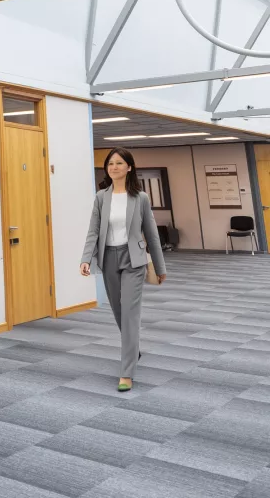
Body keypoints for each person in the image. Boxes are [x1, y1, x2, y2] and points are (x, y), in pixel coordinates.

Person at [80, 147, 166, 392]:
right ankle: (133, 348)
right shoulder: (101, 197)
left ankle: (126, 372)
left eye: (119, 163)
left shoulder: (140, 198)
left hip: (133, 260)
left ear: (129, 167)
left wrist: (160, 266)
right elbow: (93, 231)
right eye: (110, 163)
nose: (114, 167)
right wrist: (86, 258)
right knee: (119, 312)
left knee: (129, 314)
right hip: (108, 258)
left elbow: (151, 234)